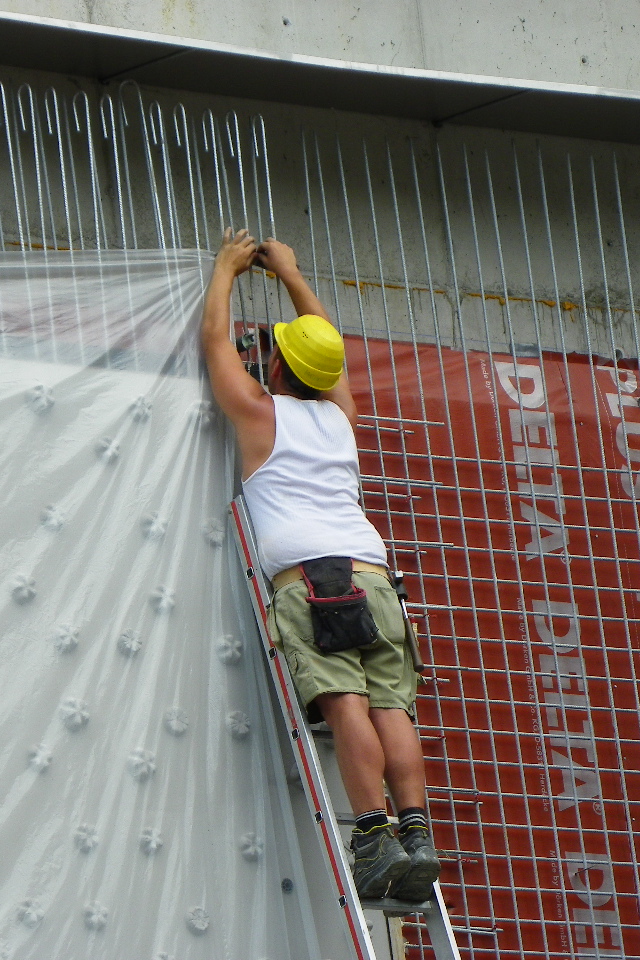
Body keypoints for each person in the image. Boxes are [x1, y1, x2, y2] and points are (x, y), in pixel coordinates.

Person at [201, 228, 441, 902]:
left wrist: (226, 270)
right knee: (391, 706)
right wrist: (292, 274)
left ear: (276, 367)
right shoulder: (342, 417)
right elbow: (327, 353)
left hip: (315, 580)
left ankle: (373, 836)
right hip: (375, 575)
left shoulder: (258, 413)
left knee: (346, 704)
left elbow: (216, 342)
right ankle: (416, 832)